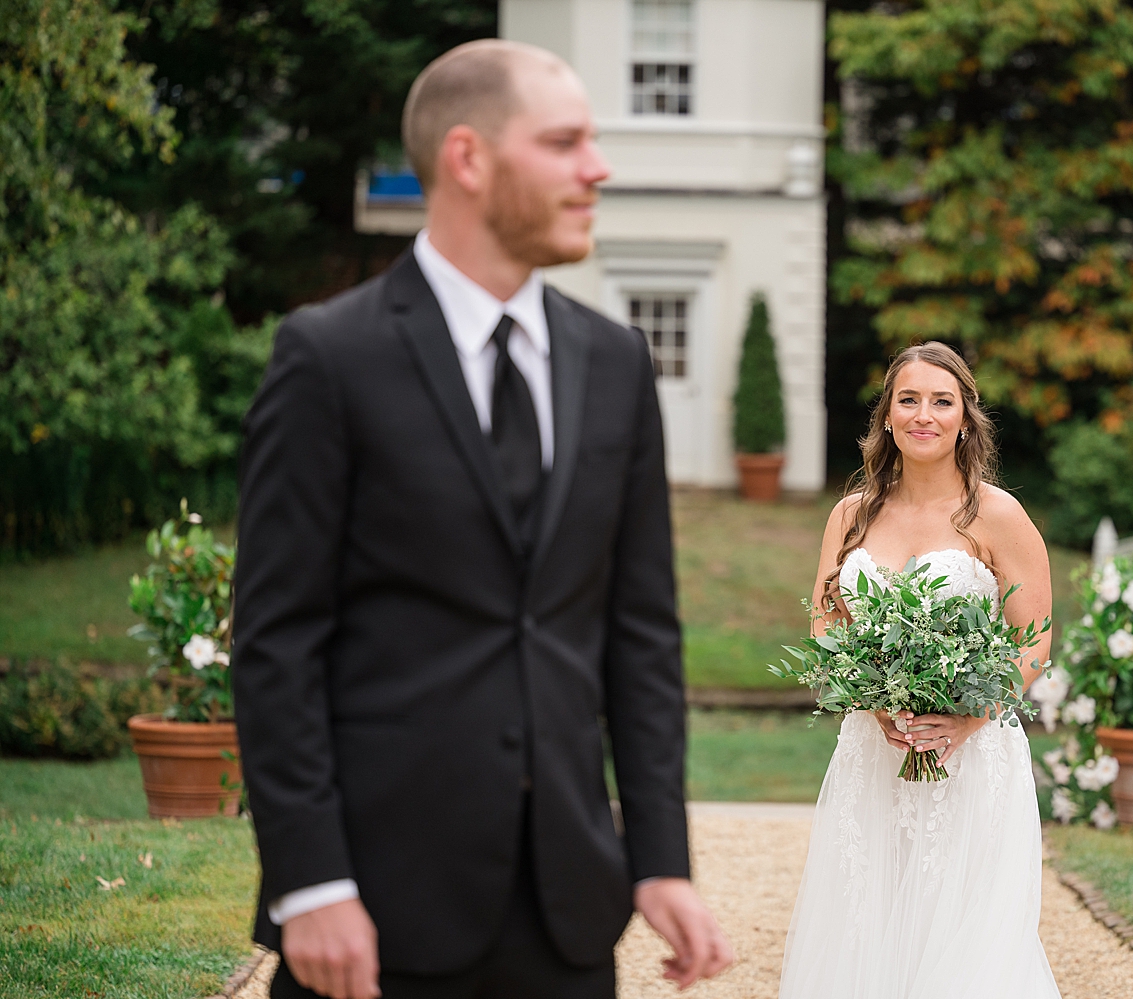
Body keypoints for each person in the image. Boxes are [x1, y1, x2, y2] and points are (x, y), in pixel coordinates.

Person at [233, 39, 734, 999]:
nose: (599, 167)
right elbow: (276, 641)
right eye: (565, 142)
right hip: (371, 916)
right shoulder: (328, 358)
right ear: (468, 158)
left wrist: (660, 856)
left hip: (567, 915)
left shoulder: (618, 364)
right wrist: (311, 879)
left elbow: (639, 636)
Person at [778, 342, 1062, 999]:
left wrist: (967, 716)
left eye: (942, 400)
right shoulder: (851, 515)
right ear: (886, 415)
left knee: (962, 939)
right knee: (864, 925)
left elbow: (1033, 638)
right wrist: (872, 699)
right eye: (908, 399)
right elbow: (826, 626)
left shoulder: (997, 514)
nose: (923, 414)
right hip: (872, 755)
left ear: (966, 418)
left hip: (972, 757)